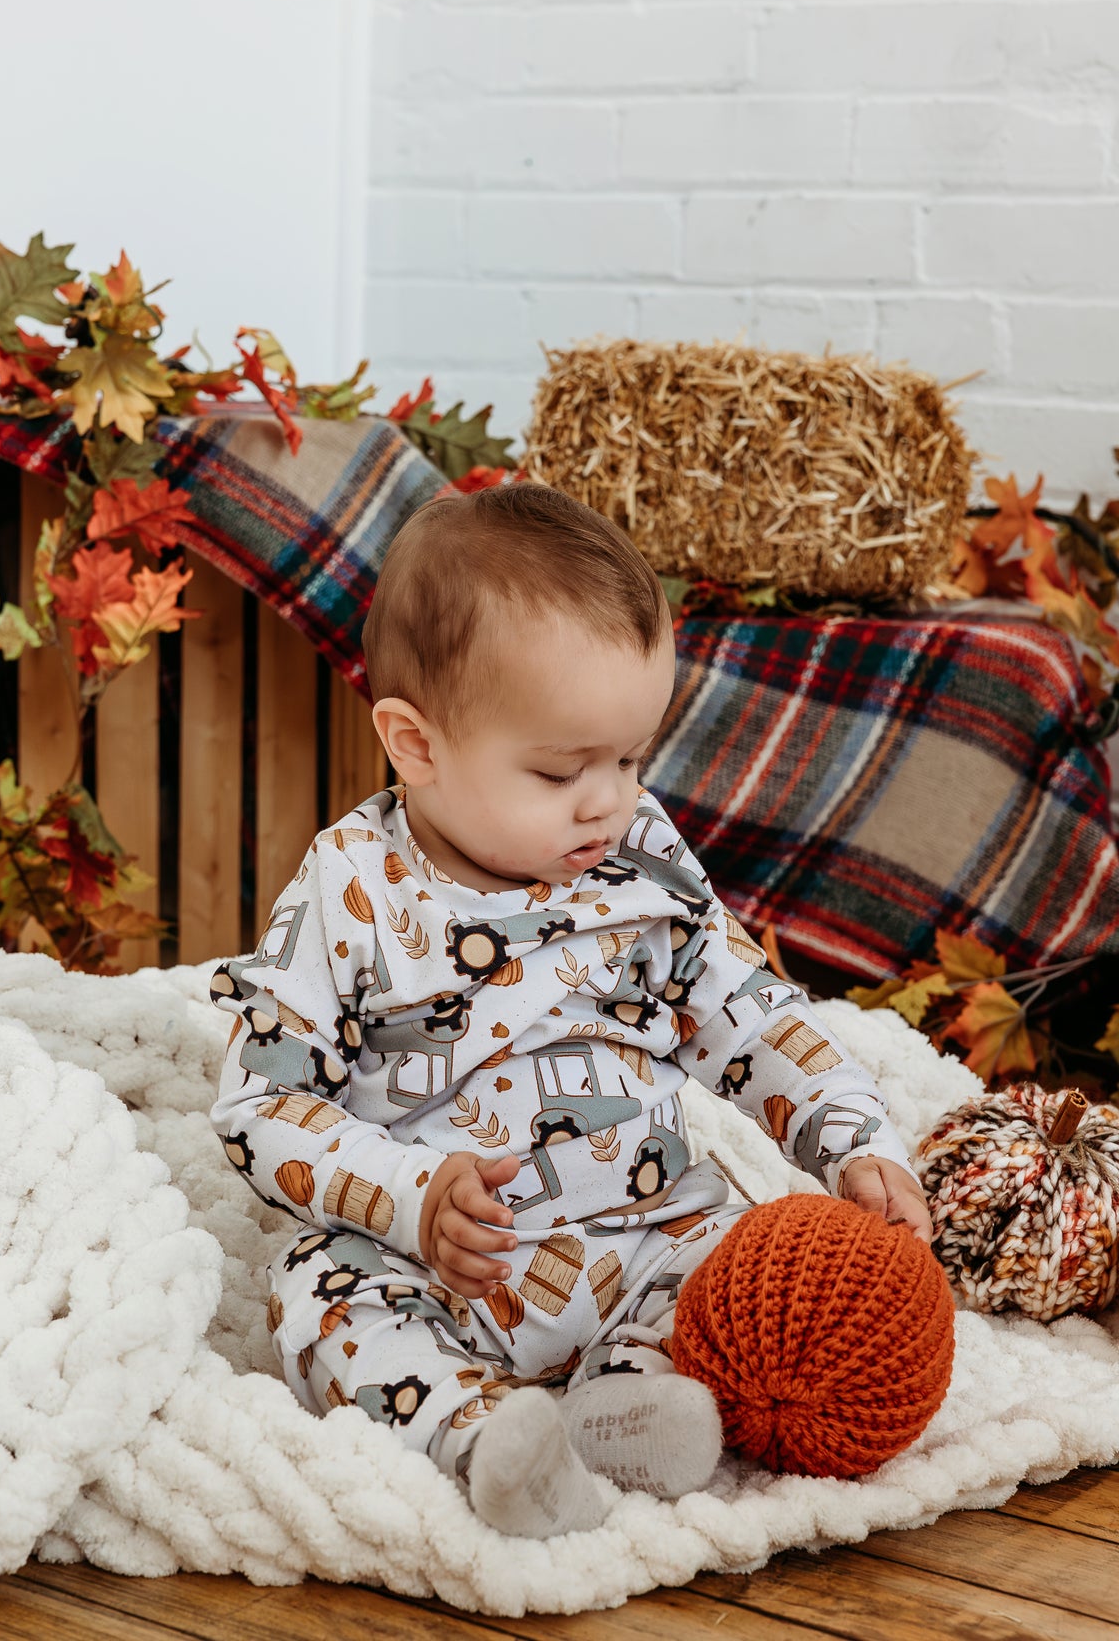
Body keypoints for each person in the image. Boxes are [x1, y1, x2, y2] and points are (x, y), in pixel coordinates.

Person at [209, 483, 933, 1539]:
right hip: (440, 1263)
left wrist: (854, 1138)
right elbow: (258, 1109)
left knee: (749, 1256)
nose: (609, 799)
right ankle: (481, 1432)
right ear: (415, 744)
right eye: (561, 769)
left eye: (633, 758)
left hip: (645, 1234)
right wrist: (407, 1197)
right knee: (314, 1295)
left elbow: (750, 1011)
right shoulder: (351, 888)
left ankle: (631, 1403)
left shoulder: (641, 861)